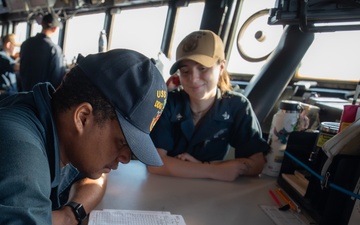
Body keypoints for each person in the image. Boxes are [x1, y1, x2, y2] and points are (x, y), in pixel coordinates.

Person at [0, 49, 167, 224]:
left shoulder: (65, 133)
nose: (125, 159)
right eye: (122, 142)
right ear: (83, 117)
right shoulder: (21, 152)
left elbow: (98, 177)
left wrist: (69, 215)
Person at [148, 30, 269, 181]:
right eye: (185, 71)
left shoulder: (237, 106)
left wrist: (206, 165)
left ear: (221, 67)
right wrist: (213, 170)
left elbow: (257, 162)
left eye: (202, 68)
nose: (193, 79)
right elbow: (155, 164)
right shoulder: (167, 103)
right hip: (162, 185)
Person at [20, 12, 66, 91]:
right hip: (42, 97)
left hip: (24, 94)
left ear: (42, 24)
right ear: (54, 29)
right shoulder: (54, 49)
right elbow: (57, 78)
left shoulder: (26, 43)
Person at [0, 33, 20, 98]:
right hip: (5, 94)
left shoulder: (8, 58)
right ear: (8, 45)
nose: (16, 49)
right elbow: (14, 67)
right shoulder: (1, 56)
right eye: (15, 46)